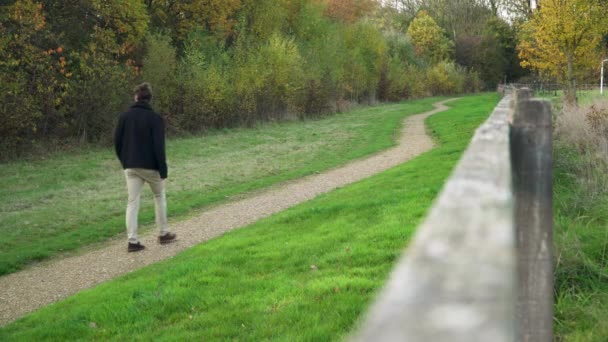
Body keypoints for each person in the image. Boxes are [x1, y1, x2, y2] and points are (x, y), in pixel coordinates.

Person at [114, 82, 176, 252]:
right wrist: (162, 169)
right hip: (150, 166)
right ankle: (163, 233)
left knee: (132, 202)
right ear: (150, 99)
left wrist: (125, 161)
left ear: (136, 97)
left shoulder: (124, 117)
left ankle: (132, 241)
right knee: (159, 196)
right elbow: (159, 147)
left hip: (130, 166)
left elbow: (117, 143)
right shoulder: (155, 118)